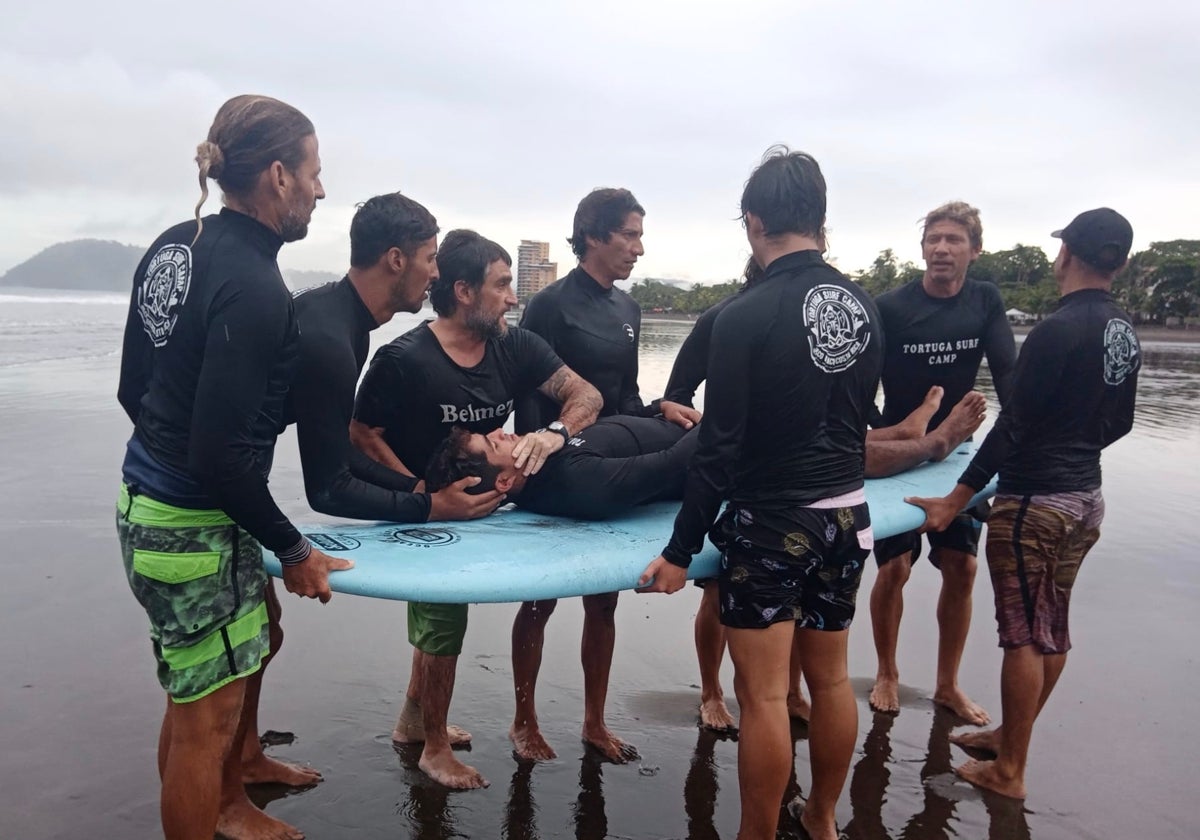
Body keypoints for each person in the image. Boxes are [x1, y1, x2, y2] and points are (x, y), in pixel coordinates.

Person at [115, 94, 351, 840]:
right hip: (186, 523)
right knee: (203, 718)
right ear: (278, 176)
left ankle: (225, 802)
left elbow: (134, 388)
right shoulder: (255, 291)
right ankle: (211, 808)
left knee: (200, 697)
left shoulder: (173, 245)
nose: (321, 188)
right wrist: (295, 548)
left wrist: (167, 476)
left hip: (151, 501)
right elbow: (219, 453)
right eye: (314, 172)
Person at [639, 147, 884, 840]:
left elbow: (718, 448)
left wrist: (681, 550)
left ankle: (757, 834)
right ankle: (826, 820)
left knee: (766, 694)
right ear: (821, 221)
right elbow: (861, 414)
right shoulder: (864, 306)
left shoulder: (745, 313)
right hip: (847, 514)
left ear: (753, 223)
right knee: (833, 681)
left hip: (774, 523)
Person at [665, 259, 988, 732]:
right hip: (749, 475)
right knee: (718, 593)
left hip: (819, 482)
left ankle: (907, 432)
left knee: (799, 605)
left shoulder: (831, 315)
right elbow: (677, 394)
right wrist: (696, 427)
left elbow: (852, 408)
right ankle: (713, 692)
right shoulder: (727, 316)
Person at [349, 229, 601, 789]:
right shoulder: (404, 358)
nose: (513, 297)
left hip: (488, 515)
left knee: (441, 618)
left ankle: (415, 722)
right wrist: (423, 498)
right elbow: (362, 434)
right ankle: (435, 749)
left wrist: (556, 435)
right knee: (443, 619)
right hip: (429, 513)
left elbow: (586, 395)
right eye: (502, 285)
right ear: (463, 291)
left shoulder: (516, 345)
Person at [908, 208, 1140, 800]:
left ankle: (1009, 770)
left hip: (1035, 502)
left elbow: (1011, 430)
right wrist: (1076, 448)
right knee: (1052, 628)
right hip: (1086, 498)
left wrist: (953, 501)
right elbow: (1121, 421)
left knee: (1022, 637)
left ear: (1066, 257)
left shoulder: (1056, 331)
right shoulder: (1122, 328)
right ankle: (1012, 736)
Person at [510, 187, 692, 763]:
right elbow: (531, 402)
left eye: (640, 235)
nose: (639, 247)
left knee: (604, 602)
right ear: (593, 236)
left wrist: (659, 408)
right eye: (630, 235)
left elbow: (626, 400)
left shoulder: (628, 310)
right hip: (557, 469)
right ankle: (523, 720)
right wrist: (539, 472)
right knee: (539, 602)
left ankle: (594, 722)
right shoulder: (550, 306)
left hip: (612, 462)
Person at [867, 201, 1017, 725]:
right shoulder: (890, 306)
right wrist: (876, 433)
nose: (942, 249)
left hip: (959, 458)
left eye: (954, 240)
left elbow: (1010, 385)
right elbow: (858, 382)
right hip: (896, 457)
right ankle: (886, 671)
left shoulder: (984, 302)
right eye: (934, 239)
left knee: (963, 565)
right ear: (923, 247)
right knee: (895, 566)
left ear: (974, 250)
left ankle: (947, 684)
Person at [287, 192, 502, 525]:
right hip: (195, 505)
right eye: (430, 259)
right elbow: (327, 489)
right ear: (396, 260)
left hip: (220, 492)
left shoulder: (344, 322)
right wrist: (430, 508)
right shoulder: (330, 340)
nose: (436, 273)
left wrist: (420, 489)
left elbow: (335, 450)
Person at [424, 416, 698, 518]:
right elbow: (673, 462)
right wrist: (725, 416)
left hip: (678, 421)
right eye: (494, 445)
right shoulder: (577, 482)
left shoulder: (537, 455)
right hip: (723, 453)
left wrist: (658, 407)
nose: (500, 431)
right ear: (504, 482)